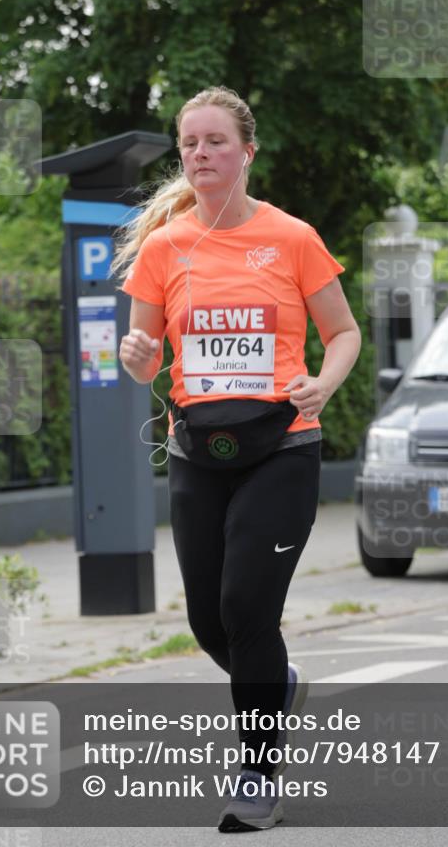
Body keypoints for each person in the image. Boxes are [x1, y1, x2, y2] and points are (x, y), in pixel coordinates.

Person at [113, 86, 361, 831]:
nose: (199, 154)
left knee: (246, 608)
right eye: (189, 144)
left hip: (282, 445)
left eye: (214, 141)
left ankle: (256, 773)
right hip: (197, 447)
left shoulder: (291, 237)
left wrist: (323, 382)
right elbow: (141, 358)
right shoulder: (164, 247)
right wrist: (134, 356)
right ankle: (276, 685)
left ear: (246, 152)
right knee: (207, 621)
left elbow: (343, 333)